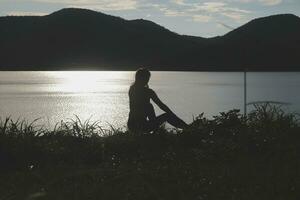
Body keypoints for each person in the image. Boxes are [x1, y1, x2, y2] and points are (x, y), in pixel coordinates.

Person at [127, 68, 188, 133]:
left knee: (149, 106)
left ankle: (186, 127)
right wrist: (173, 115)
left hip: (132, 126)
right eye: (146, 78)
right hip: (141, 126)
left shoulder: (132, 90)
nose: (147, 80)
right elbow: (161, 105)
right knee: (151, 107)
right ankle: (187, 128)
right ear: (141, 78)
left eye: (148, 78)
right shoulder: (148, 92)